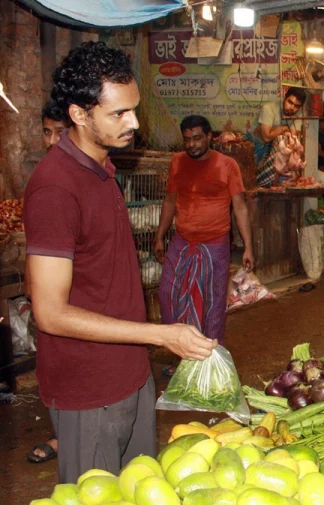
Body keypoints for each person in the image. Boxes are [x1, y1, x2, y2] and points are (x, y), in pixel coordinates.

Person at [24, 41, 217, 484]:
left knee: (140, 488)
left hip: (130, 373)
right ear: (78, 114)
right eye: (118, 114)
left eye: (133, 109)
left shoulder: (102, 167)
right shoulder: (56, 188)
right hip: (89, 389)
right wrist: (160, 334)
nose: (133, 122)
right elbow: (49, 313)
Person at [155, 115, 254, 374]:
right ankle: (180, 356)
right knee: (168, 296)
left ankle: (210, 361)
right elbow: (169, 201)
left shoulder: (227, 165)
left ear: (210, 137)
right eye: (187, 139)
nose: (192, 144)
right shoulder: (177, 162)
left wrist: (248, 247)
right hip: (182, 241)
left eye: (197, 138)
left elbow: (240, 208)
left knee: (212, 304)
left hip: (215, 245)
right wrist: (159, 236)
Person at [25, 99, 71, 465]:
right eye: (46, 132)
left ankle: (64, 439)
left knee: (69, 372)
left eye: (60, 132)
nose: (52, 140)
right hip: (49, 294)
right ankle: (62, 436)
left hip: (72, 303)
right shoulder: (46, 177)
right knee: (53, 370)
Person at [254, 87, 306, 187]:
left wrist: (278, 132)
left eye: (296, 106)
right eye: (290, 102)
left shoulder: (298, 114)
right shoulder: (269, 108)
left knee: (289, 143)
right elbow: (266, 137)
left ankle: (275, 182)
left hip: (275, 156)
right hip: (257, 149)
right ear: (284, 98)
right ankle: (263, 181)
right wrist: (283, 128)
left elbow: (293, 138)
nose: (292, 108)